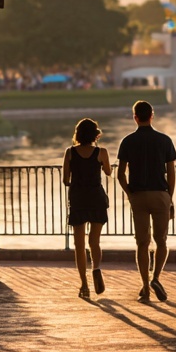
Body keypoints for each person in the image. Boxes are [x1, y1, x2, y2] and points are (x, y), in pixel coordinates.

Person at [116, 100, 176, 302]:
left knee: (142, 243)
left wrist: (129, 193)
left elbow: (120, 175)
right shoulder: (165, 140)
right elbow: (171, 172)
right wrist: (169, 196)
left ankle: (145, 288)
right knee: (161, 242)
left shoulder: (127, 141)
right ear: (152, 115)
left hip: (139, 197)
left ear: (135, 117)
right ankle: (156, 278)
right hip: (160, 194)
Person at [63, 118, 111, 299]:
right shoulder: (101, 152)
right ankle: (96, 268)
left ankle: (84, 285)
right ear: (95, 134)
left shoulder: (70, 152)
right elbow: (108, 172)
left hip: (78, 199)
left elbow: (65, 180)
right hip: (96, 199)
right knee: (94, 241)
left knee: (79, 245)